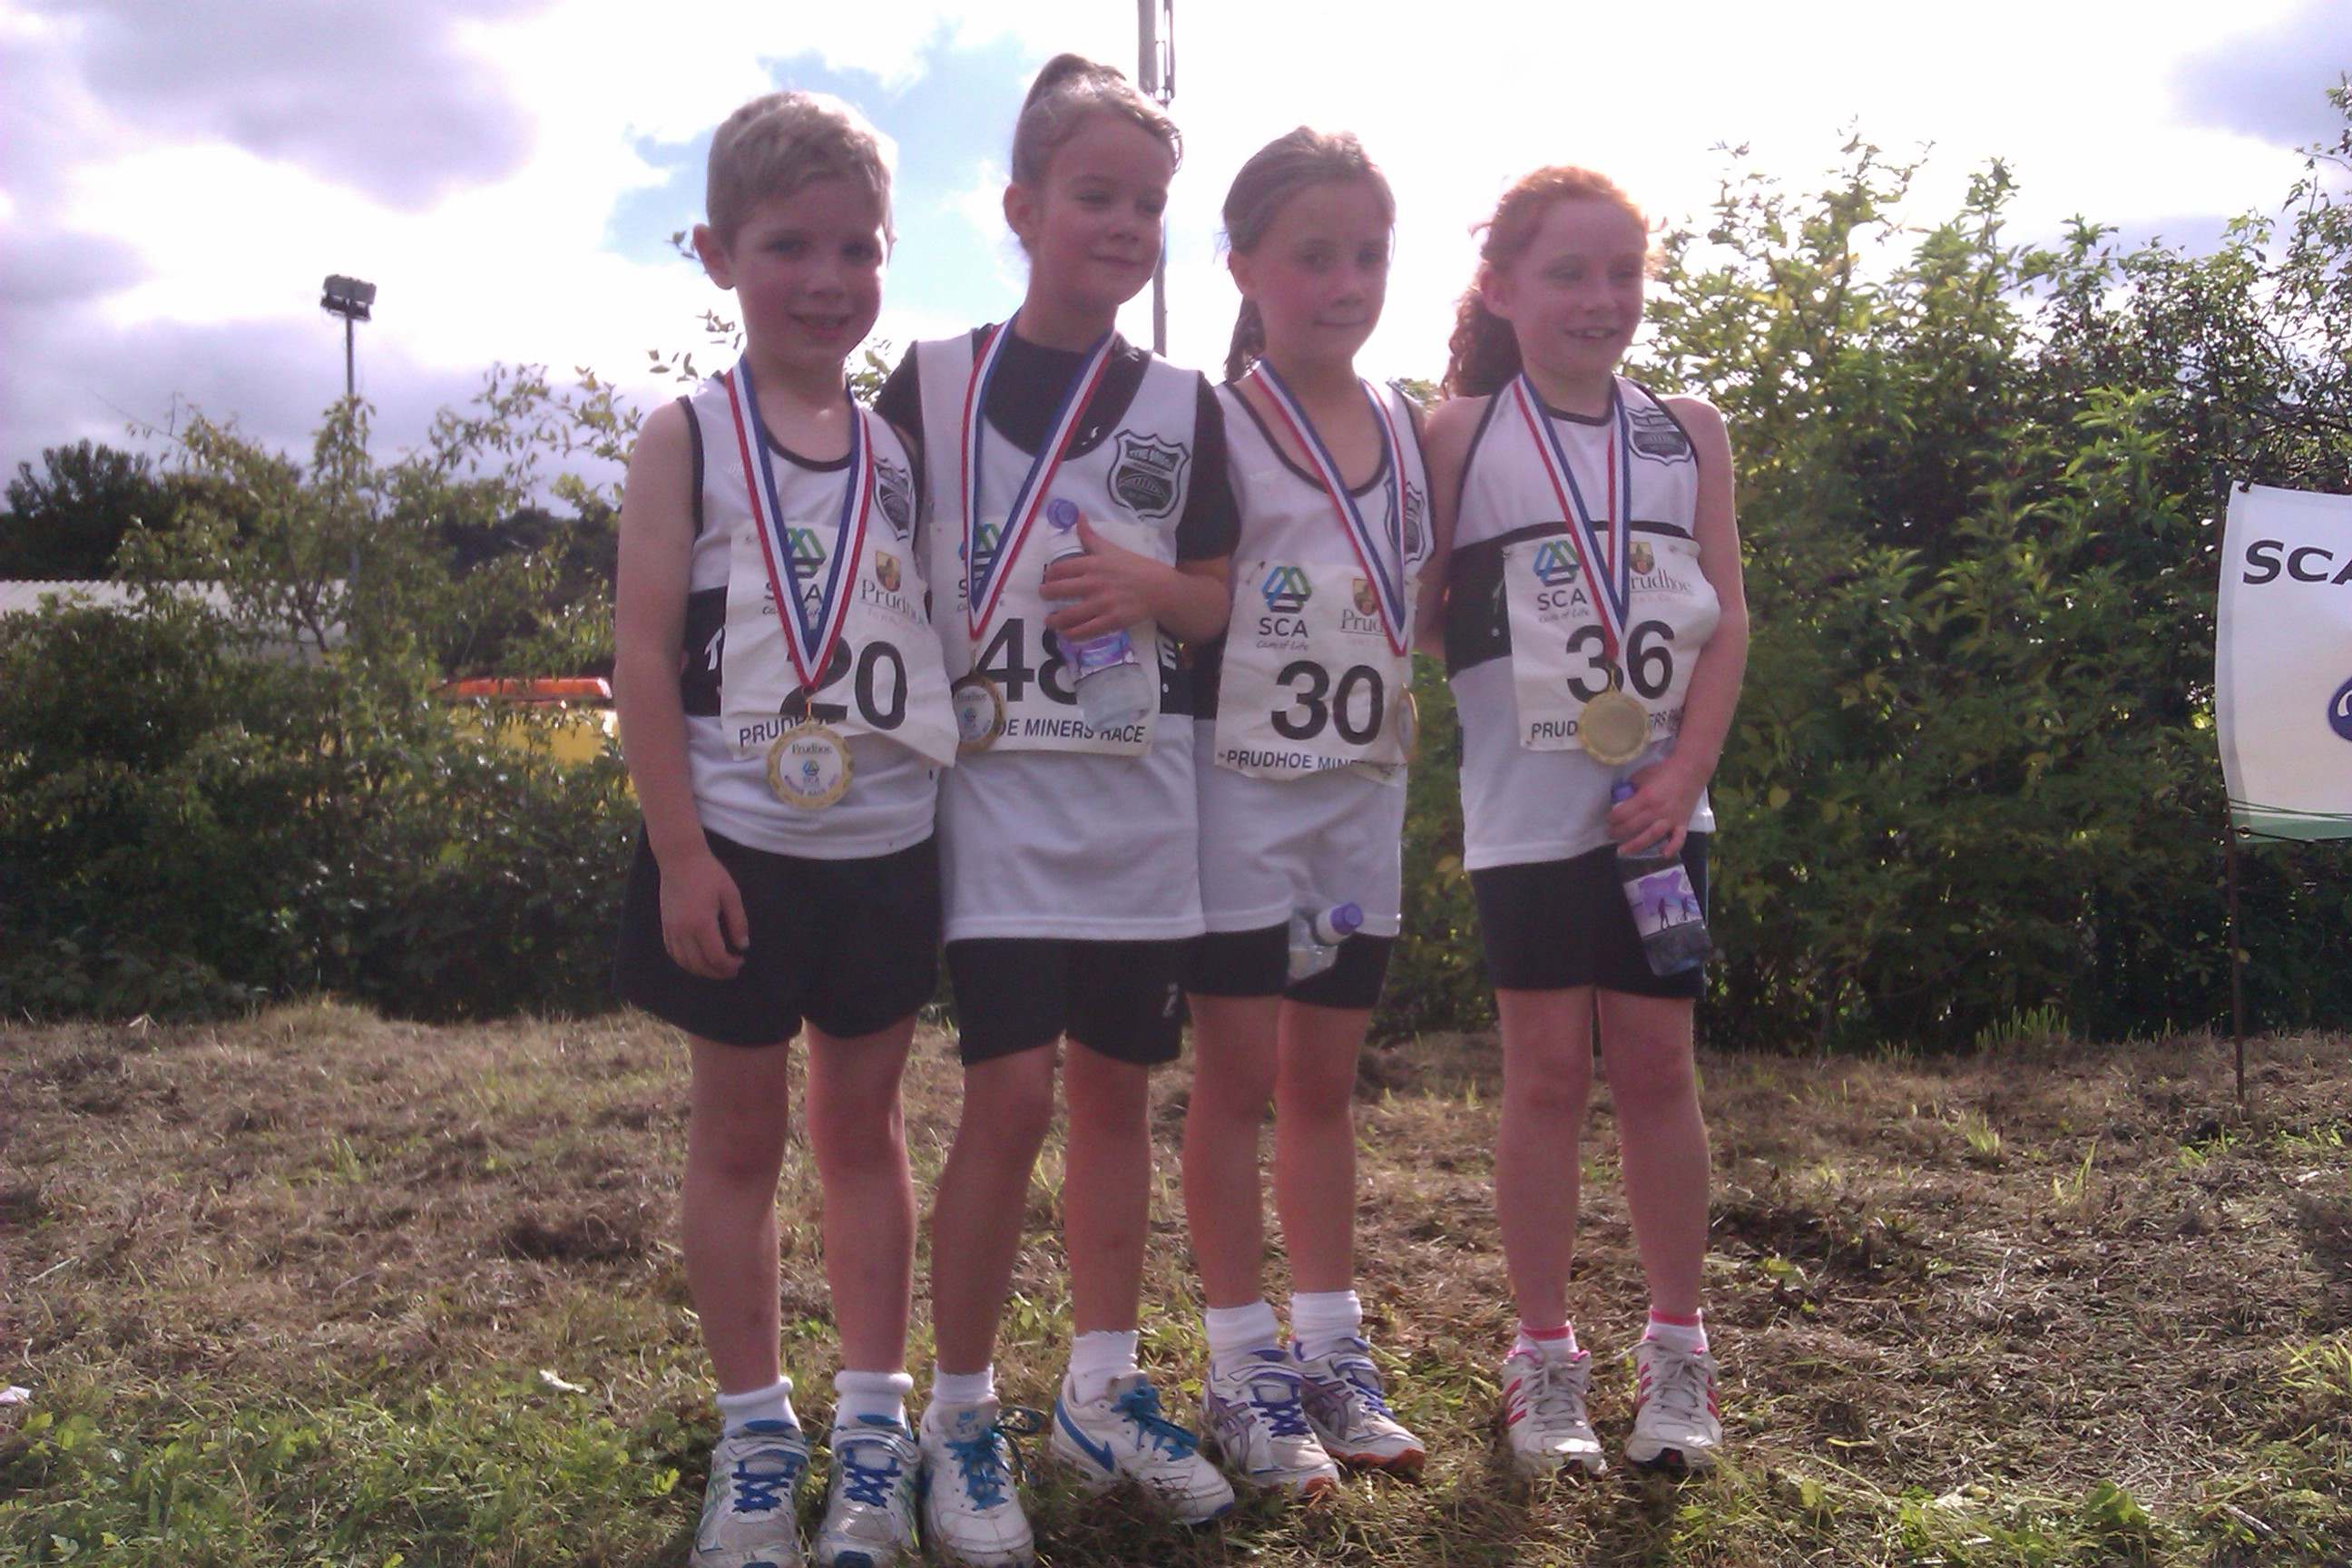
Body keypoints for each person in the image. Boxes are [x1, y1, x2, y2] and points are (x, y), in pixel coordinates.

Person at [870, 54, 1237, 1567]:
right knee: (1010, 1097)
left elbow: (1224, 601)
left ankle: (1099, 1382)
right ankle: (959, 1411)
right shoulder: (932, 383)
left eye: (1148, 203)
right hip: (996, 810)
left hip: (1139, 814)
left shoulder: (1180, 402)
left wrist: (1159, 591)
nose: (1125, 223)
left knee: (1112, 1101)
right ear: (1020, 207)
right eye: (1095, 195)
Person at [611, 90, 957, 1568]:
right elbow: (637, 658)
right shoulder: (683, 434)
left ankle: (874, 1425)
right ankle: (757, 1433)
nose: (827, 278)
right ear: (715, 253)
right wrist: (681, 849)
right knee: (742, 1135)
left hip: (880, 843)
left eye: (858, 247)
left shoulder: (897, 447)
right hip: (737, 848)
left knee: (866, 1130)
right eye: (787, 245)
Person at [1418, 165, 1749, 1477]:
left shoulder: (1690, 431)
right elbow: (1420, 610)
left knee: (1661, 1072)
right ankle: (1543, 1354)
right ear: (1501, 289)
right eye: (1568, 273)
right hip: (1521, 816)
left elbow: (1728, 623)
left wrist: (1684, 776)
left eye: (1623, 272)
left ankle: (1680, 1346)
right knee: (1547, 1078)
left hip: (1661, 816)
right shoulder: (1458, 430)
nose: (1601, 299)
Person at [1177, 127, 1429, 1496]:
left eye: (1370, 254)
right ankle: (1240, 1364)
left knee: (1326, 1085)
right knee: (1233, 1080)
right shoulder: (1213, 425)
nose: (1346, 281)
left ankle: (1329, 1343)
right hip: (1241, 803)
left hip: (1361, 800)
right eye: (1313, 255)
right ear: (1245, 270)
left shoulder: (1405, 419)